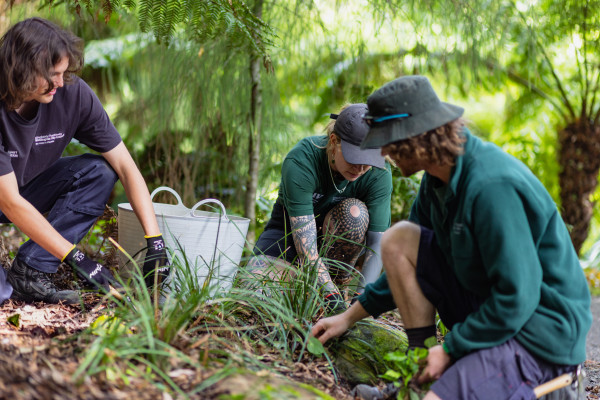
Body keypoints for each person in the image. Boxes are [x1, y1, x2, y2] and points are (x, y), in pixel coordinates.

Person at [311, 75, 592, 399]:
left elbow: (518, 297)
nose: (384, 152)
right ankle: (421, 378)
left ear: (416, 138)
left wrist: (451, 349)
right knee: (399, 239)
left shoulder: (490, 187)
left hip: (539, 339)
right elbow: (408, 267)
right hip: (497, 314)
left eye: (388, 141)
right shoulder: (436, 182)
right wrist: (347, 317)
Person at [0, 17, 169, 305]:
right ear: (21, 70)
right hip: (8, 196)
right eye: (52, 74)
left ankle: (31, 271)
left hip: (23, 189)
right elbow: (9, 203)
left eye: (63, 72)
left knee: (100, 171)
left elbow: (126, 167)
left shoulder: (72, 93)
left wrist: (156, 241)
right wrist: (78, 258)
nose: (59, 83)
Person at [247, 103, 393, 313]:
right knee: (255, 292)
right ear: (334, 141)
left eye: (368, 161)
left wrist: (362, 301)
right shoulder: (302, 159)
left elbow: (377, 243)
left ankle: (339, 282)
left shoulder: (379, 173)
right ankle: (314, 290)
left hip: (336, 253)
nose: (361, 169)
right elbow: (307, 251)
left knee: (355, 213)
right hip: (287, 239)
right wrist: (333, 301)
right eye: (355, 159)